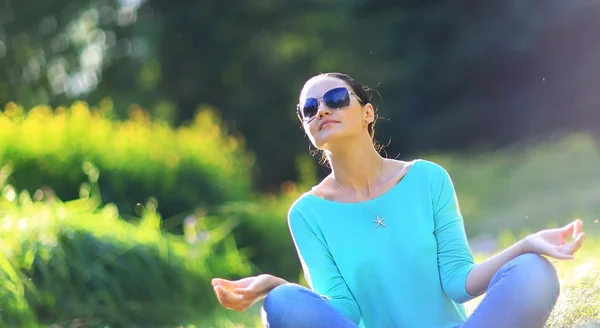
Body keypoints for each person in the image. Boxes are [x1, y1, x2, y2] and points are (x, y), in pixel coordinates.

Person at [211, 72, 586, 328]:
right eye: (309, 109)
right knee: (279, 303)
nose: (322, 110)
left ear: (367, 113)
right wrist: (273, 284)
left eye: (336, 99)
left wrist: (525, 244)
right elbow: (339, 310)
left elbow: (459, 280)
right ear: (307, 128)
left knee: (533, 270)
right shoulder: (307, 214)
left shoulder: (427, 178)